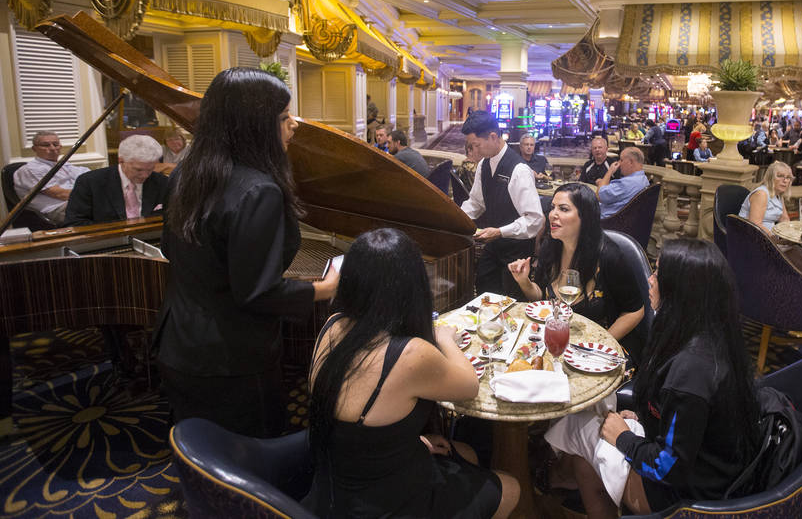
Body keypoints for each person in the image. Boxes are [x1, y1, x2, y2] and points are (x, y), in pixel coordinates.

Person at [154, 67, 340, 437]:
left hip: (179, 342)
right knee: (249, 452)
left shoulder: (185, 173)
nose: (294, 125)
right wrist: (325, 289)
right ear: (254, 124)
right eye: (284, 117)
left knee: (199, 447)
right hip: (230, 356)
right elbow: (258, 293)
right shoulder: (258, 191)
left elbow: (168, 248)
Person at [306, 228, 518, 519]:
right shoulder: (409, 353)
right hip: (381, 506)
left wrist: (413, 442)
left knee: (465, 452)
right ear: (412, 285)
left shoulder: (332, 325)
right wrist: (444, 338)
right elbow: (470, 386)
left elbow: (356, 428)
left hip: (334, 487)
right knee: (511, 487)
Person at [566, 239, 761, 517]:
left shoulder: (691, 370)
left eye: (658, 273)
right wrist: (647, 417)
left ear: (681, 290)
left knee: (580, 435)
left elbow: (669, 468)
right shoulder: (711, 331)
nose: (650, 279)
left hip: (692, 495)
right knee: (585, 428)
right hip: (714, 465)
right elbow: (690, 424)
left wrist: (623, 438)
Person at [507, 183, 645, 355]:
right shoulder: (550, 247)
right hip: (559, 343)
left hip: (598, 351)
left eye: (563, 209)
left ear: (585, 217)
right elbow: (541, 298)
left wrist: (601, 345)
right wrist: (524, 281)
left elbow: (635, 311)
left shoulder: (609, 256)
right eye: (552, 207)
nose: (553, 214)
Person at [459, 111, 543, 298]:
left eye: (476, 145)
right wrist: (454, 218)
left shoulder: (519, 170)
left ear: (493, 137)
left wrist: (500, 232)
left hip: (517, 251)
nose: (474, 151)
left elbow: (534, 220)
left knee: (511, 302)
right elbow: (476, 202)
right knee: (483, 291)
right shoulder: (484, 164)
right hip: (494, 245)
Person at [65, 134, 168, 225]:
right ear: (121, 161)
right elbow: (75, 223)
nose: (145, 175)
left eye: (150, 169)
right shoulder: (90, 182)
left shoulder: (162, 182)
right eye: (138, 170)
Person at [738, 161, 802, 272]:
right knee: (798, 260)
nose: (785, 180)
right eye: (780, 176)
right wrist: (778, 240)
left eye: (788, 178)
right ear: (770, 177)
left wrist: (791, 235)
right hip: (753, 239)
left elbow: (784, 219)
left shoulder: (778, 195)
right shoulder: (762, 194)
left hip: (769, 238)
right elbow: (755, 224)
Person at [12, 130, 89, 225]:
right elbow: (60, 194)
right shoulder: (31, 169)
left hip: (74, 202)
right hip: (54, 209)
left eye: (55, 144)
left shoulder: (66, 165)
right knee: (101, 208)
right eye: (46, 145)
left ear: (60, 147)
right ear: (34, 148)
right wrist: (91, 195)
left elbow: (88, 178)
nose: (52, 148)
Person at [596, 146, 650, 219]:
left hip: (606, 220)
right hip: (626, 220)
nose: (619, 163)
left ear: (631, 162)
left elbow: (599, 195)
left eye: (621, 160)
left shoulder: (626, 184)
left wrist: (610, 171)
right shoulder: (644, 180)